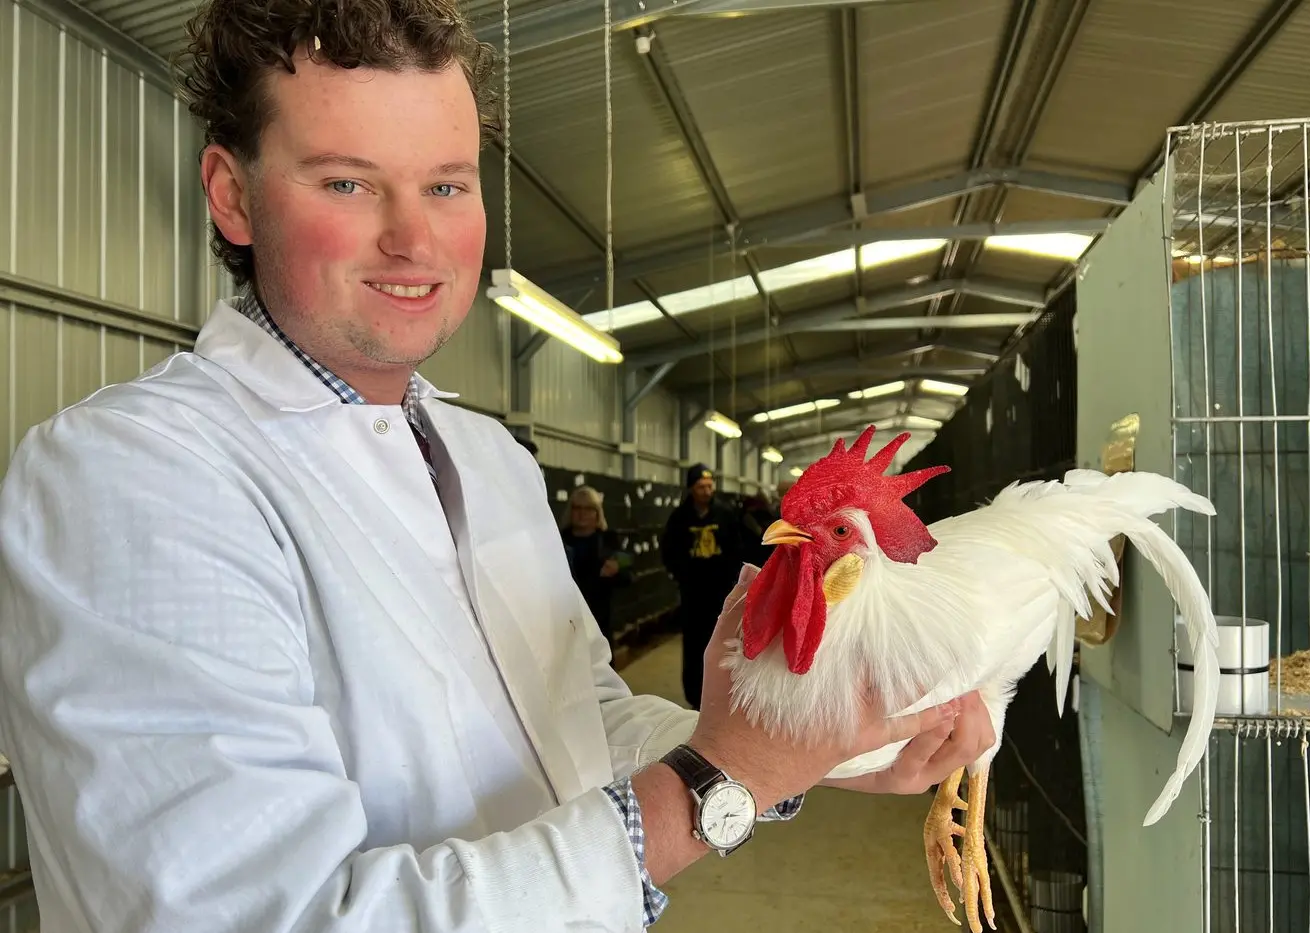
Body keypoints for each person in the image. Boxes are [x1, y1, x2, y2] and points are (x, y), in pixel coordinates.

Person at [0, 3, 997, 931]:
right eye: (347, 182)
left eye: (447, 184)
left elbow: (579, 719)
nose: (413, 236)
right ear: (233, 196)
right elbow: (260, 914)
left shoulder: (487, 456)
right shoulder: (133, 477)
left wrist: (803, 751)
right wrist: (714, 782)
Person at [661, 464, 745, 708]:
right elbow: (669, 550)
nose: (706, 491)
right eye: (701, 487)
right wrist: (681, 575)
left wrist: (732, 581)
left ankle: (722, 694)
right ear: (691, 489)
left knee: (722, 641)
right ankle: (695, 696)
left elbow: (737, 549)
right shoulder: (679, 518)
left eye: (710, 486)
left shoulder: (725, 514)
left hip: (720, 592)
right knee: (694, 644)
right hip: (692, 593)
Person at [560, 485, 632, 659]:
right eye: (577, 508)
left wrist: (615, 570)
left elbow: (628, 570)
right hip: (565, 619)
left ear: (597, 512)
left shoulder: (609, 539)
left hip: (599, 618)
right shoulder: (559, 539)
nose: (582, 514)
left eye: (588, 509)